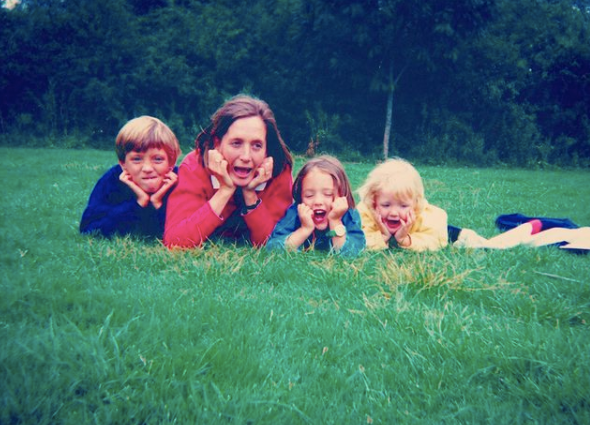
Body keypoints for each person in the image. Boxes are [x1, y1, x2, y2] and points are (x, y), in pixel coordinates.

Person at [164, 94, 293, 248]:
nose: (246, 156)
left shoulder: (278, 170)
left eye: (257, 145)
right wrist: (225, 190)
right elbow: (176, 242)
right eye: (236, 143)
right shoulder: (194, 166)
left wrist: (250, 194)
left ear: (266, 150)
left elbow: (272, 243)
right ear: (217, 143)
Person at [80, 116, 181, 239]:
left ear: (171, 163)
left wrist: (158, 203)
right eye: (137, 159)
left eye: (158, 159)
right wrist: (138, 203)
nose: (147, 168)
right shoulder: (111, 181)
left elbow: (182, 232)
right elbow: (88, 229)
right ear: (123, 163)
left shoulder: (180, 181)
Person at [267, 155, 365, 256]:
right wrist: (304, 229)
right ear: (300, 197)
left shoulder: (349, 214)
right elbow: (272, 249)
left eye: (328, 194)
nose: (318, 201)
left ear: (342, 195)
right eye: (309, 195)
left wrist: (335, 222)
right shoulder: (296, 213)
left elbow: (353, 252)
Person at [357, 157, 448, 251]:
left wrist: (405, 240)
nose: (394, 213)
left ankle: (460, 234)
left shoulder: (426, 215)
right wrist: (382, 236)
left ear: (416, 203)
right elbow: (355, 240)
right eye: (386, 205)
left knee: (449, 230)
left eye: (403, 206)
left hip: (420, 228)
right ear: (373, 202)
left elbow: (436, 240)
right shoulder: (364, 214)